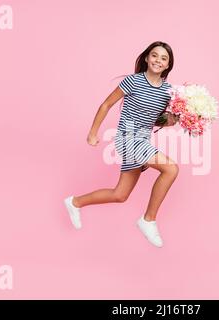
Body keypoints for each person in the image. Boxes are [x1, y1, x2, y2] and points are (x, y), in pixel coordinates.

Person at [64, 41, 179, 248]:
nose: (158, 61)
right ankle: (148, 220)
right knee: (171, 169)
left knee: (120, 195)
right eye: (154, 55)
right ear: (146, 58)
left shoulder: (167, 91)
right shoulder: (133, 81)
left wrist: (173, 120)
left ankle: (75, 202)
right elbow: (106, 104)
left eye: (164, 58)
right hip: (127, 138)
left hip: (142, 140)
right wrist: (92, 133)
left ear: (168, 65)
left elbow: (156, 120)